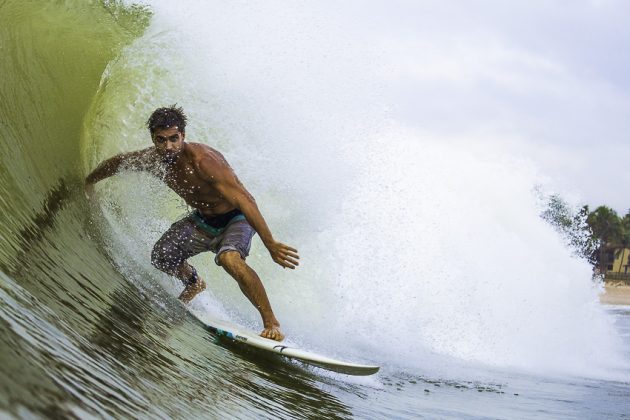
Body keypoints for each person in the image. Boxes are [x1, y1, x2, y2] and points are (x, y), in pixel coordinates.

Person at [85, 105, 299, 341]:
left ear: (183, 136)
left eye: (174, 139)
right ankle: (193, 283)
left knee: (230, 259)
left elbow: (246, 201)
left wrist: (271, 244)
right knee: (162, 255)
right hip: (203, 221)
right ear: (154, 139)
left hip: (235, 219)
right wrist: (88, 182)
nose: (168, 146)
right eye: (161, 140)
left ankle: (272, 323)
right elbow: (117, 163)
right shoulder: (153, 160)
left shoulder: (204, 161)